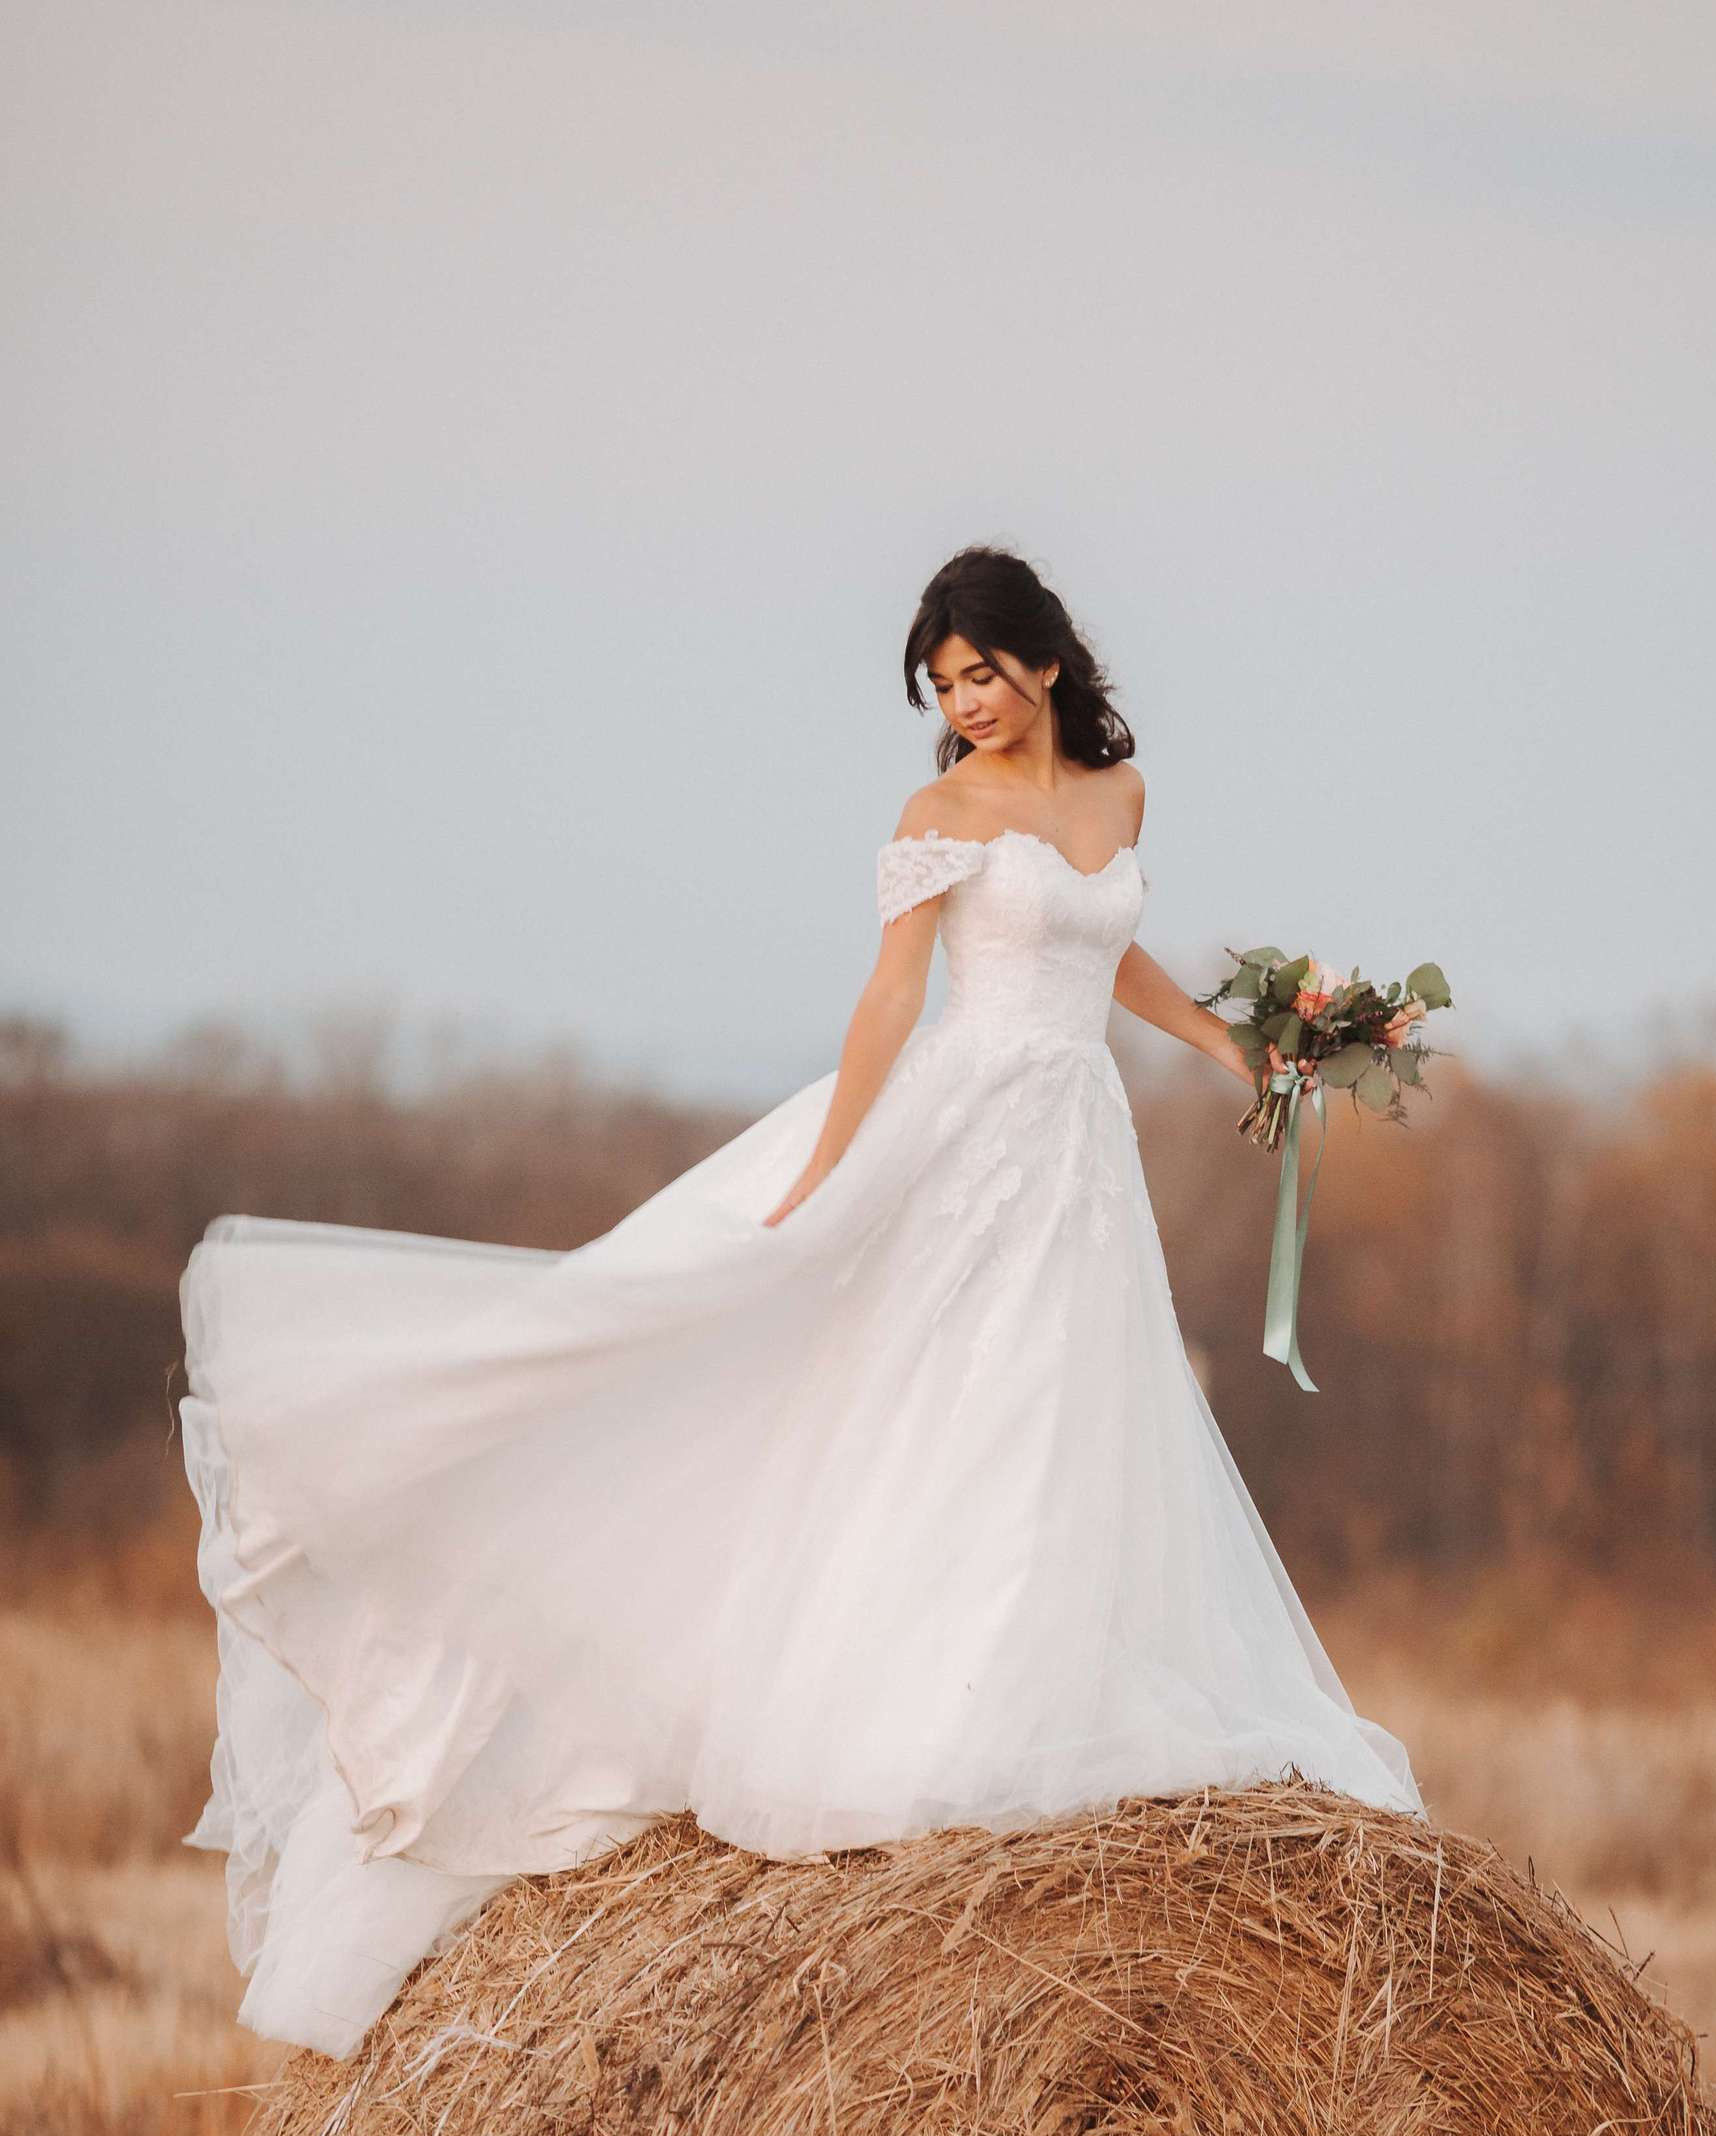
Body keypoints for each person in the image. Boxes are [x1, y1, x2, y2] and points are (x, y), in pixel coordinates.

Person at [179, 543, 1423, 2059]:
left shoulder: (1121, 795)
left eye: (981, 673)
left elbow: (1113, 952)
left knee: (1065, 1416)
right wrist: (827, 1171)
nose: (963, 706)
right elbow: (895, 993)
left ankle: (1046, 1691)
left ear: (1043, 660)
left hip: (1076, 1143)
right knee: (944, 1402)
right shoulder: (938, 814)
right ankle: (923, 1715)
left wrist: (1242, 1052)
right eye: (942, 685)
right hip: (963, 1127)